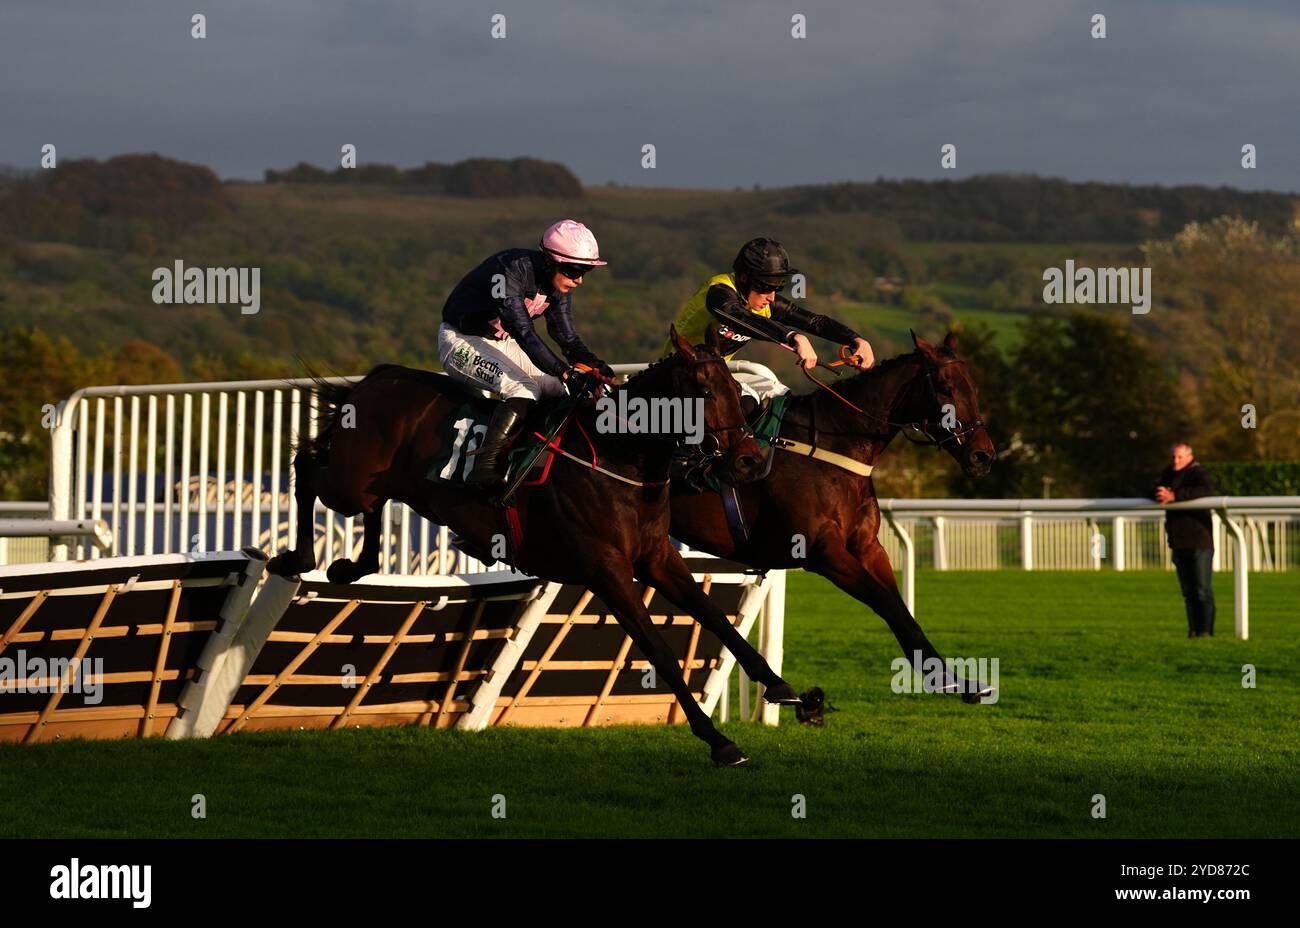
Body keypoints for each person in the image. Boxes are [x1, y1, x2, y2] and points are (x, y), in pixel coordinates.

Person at [439, 220, 615, 488]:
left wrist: (593, 365)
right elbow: (523, 332)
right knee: (523, 388)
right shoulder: (510, 270)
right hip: (461, 340)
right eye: (573, 271)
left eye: (585, 272)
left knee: (561, 389)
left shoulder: (558, 285)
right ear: (549, 261)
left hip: (503, 342)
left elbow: (565, 337)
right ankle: (484, 469)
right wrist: (566, 371)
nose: (578, 280)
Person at [662, 238, 876, 382]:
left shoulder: (764, 302)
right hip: (676, 374)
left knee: (774, 396)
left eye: (776, 289)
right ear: (744, 278)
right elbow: (740, 317)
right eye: (765, 288)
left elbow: (815, 322)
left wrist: (856, 340)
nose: (771, 298)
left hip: (714, 376)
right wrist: (792, 337)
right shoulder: (719, 293)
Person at [1152, 442, 1217, 637]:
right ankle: (1193, 630)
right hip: (1178, 541)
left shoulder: (1198, 473)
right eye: (1173, 457)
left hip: (1199, 541)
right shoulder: (1168, 473)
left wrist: (1175, 496)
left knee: (1201, 590)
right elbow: (1153, 488)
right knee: (1188, 592)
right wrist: (1160, 494)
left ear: (1190, 457)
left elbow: (1206, 491)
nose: (1175, 461)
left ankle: (1205, 631)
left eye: (1179, 457)